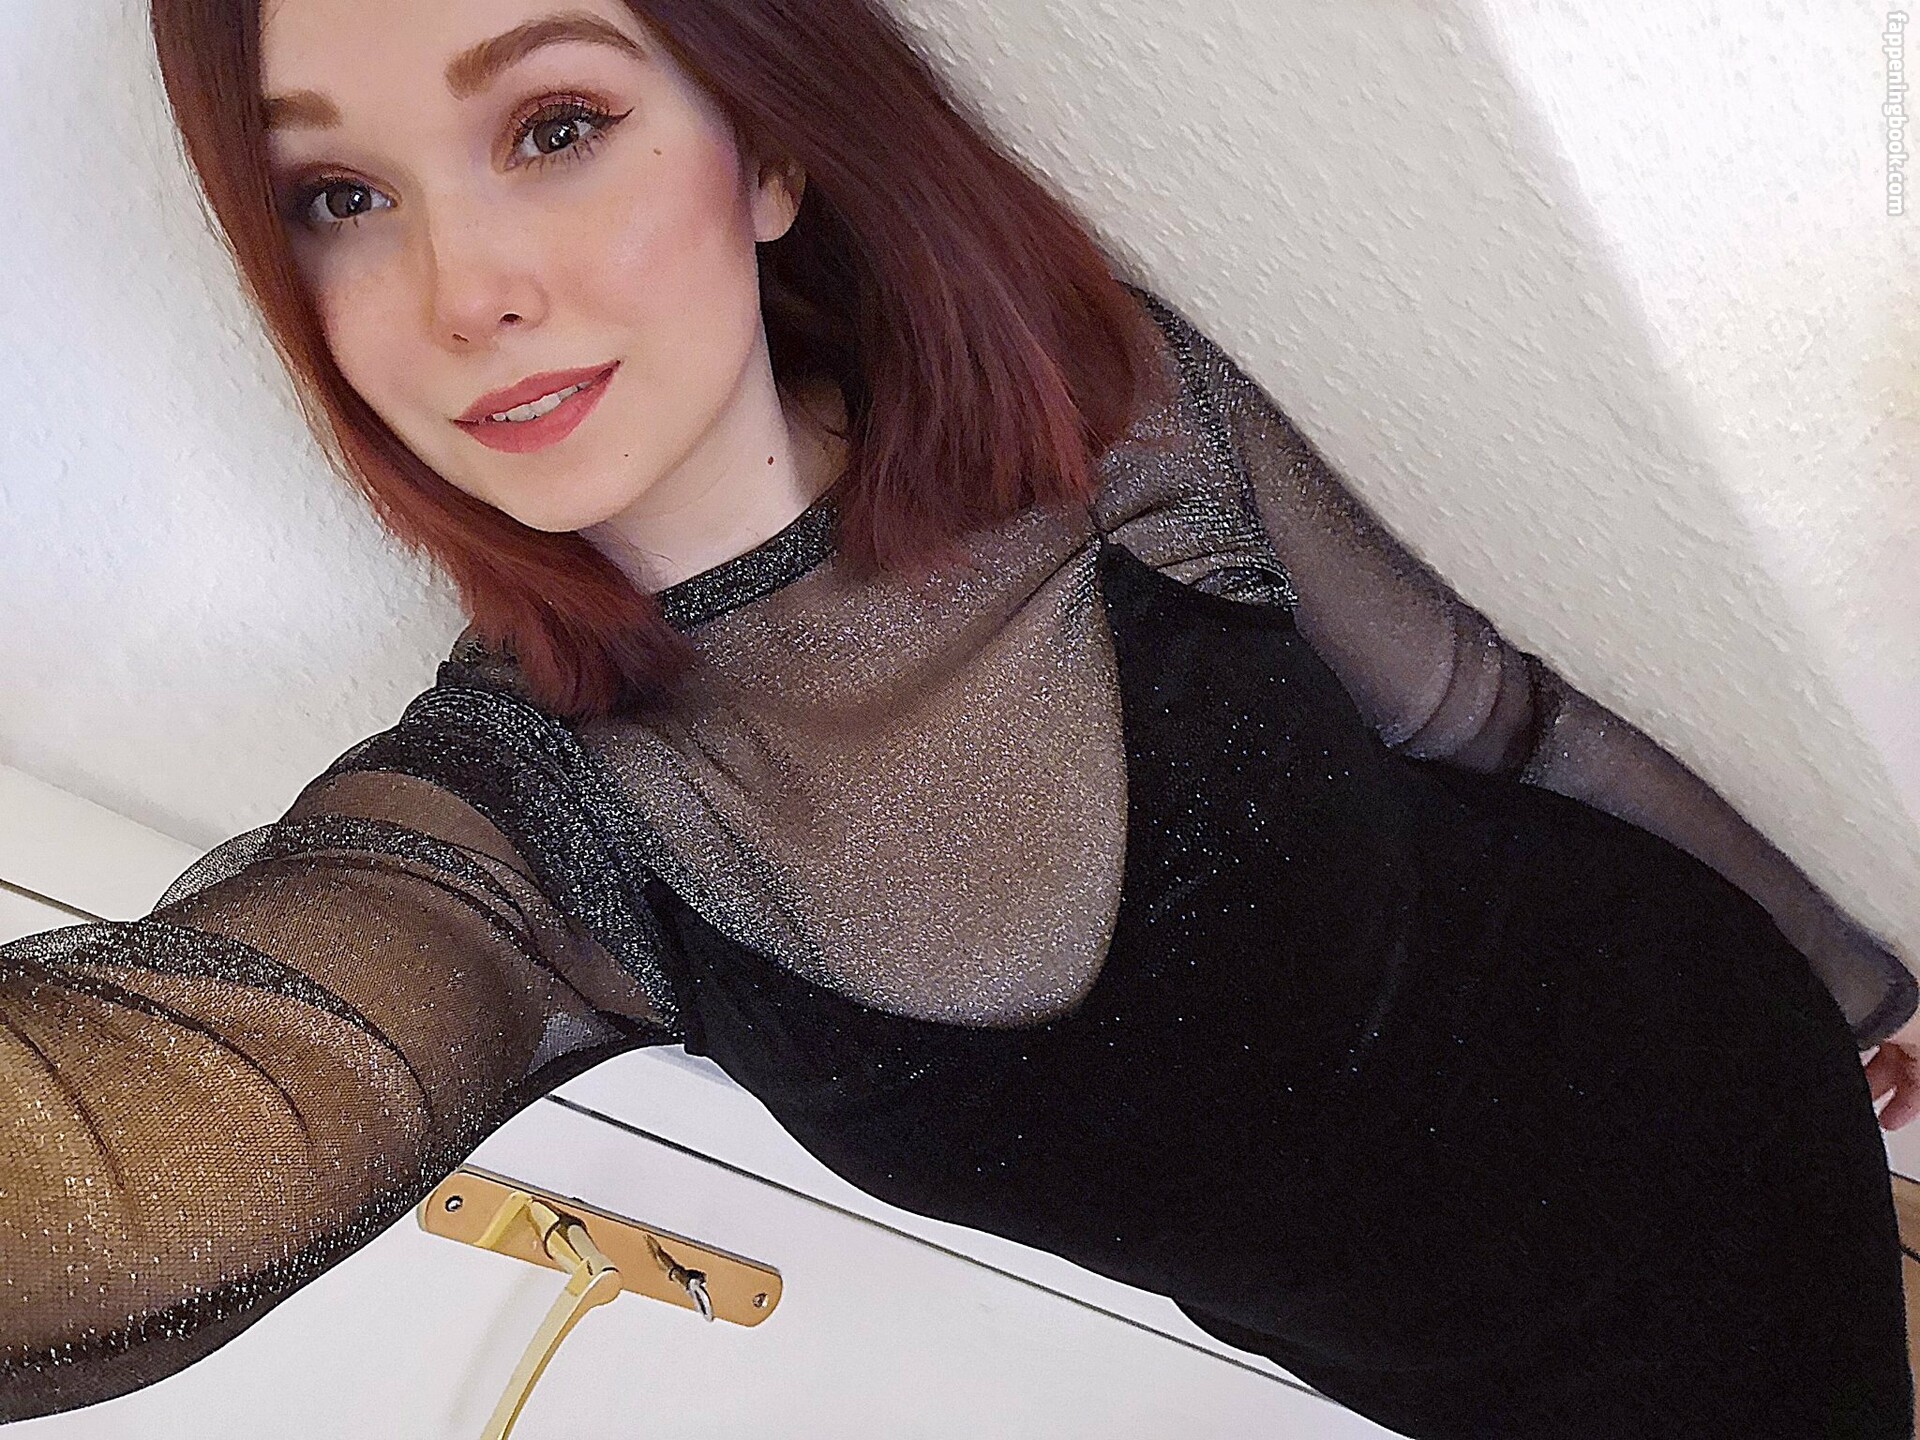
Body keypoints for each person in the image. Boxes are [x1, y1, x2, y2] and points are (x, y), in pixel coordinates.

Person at [2, 0, 1915, 1433]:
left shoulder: (1100, 420)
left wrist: (1859, 990)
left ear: (764, 151)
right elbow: (119, 1170)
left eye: (556, 125)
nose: (462, 289)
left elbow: (1495, 720)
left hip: (1713, 1103)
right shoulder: (539, 826)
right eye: (339, 197)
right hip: (1419, 1354)